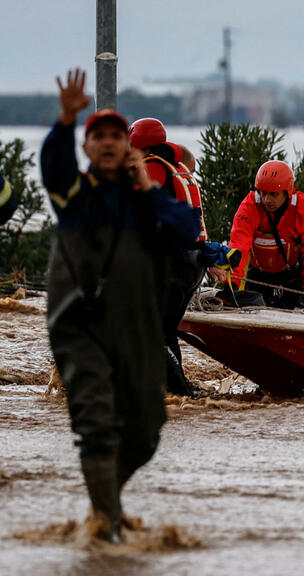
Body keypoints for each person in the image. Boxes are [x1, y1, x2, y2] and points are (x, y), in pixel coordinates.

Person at [42, 68, 201, 542]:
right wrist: (66, 120)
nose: (108, 143)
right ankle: (107, 529)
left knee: (148, 426)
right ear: (88, 148)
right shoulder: (74, 195)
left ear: (129, 148)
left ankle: (102, 501)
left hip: (129, 326)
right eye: (99, 137)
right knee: (94, 418)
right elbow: (53, 165)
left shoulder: (144, 201)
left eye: (117, 136)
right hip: (79, 326)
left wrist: (147, 189)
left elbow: (185, 230)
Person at [128, 117, 210, 396]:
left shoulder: (152, 168)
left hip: (173, 264)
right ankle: (172, 392)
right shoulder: (179, 168)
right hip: (192, 263)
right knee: (164, 330)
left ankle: (181, 394)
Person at [228, 160, 304, 310]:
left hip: (289, 278)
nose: (267, 200)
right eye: (264, 193)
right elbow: (238, 247)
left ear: (287, 192)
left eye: (274, 194)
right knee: (253, 313)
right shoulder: (249, 206)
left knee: (284, 312)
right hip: (257, 275)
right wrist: (231, 286)